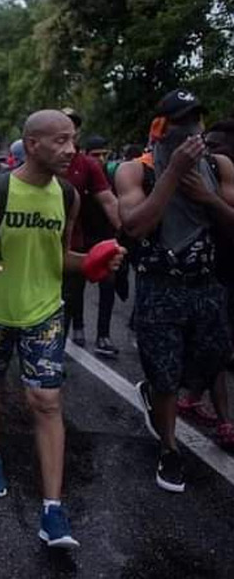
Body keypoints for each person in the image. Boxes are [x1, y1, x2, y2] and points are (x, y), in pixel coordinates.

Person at [0, 109, 125, 549]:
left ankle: (53, 509)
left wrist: (89, 263)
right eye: (62, 140)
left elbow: (60, 255)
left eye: (74, 140)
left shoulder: (69, 196)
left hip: (44, 312)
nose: (72, 150)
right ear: (32, 144)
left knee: (46, 400)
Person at [117, 89, 234, 483]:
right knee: (165, 373)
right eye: (181, 121)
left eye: (196, 120)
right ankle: (169, 448)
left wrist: (208, 198)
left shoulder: (219, 168)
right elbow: (134, 226)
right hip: (159, 286)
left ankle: (161, 397)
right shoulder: (137, 171)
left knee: (212, 360)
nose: (191, 129)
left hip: (207, 285)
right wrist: (170, 175)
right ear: (161, 128)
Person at [60, 109, 122, 354]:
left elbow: (109, 201)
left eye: (73, 126)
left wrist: (131, 233)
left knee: (107, 281)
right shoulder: (41, 163)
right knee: (67, 296)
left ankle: (103, 335)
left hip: (89, 238)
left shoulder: (88, 165)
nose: (68, 131)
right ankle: (60, 348)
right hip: (52, 243)